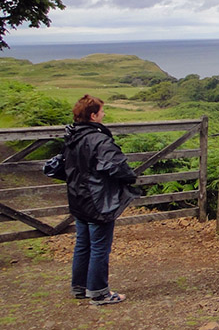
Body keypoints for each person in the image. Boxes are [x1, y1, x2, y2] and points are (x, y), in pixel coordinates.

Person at [63, 95, 138, 305]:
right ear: (94, 116)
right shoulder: (98, 139)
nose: (104, 115)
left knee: (83, 243)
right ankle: (99, 293)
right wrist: (129, 177)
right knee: (99, 247)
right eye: (102, 112)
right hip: (98, 200)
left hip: (78, 198)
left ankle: (79, 287)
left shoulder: (72, 136)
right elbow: (117, 166)